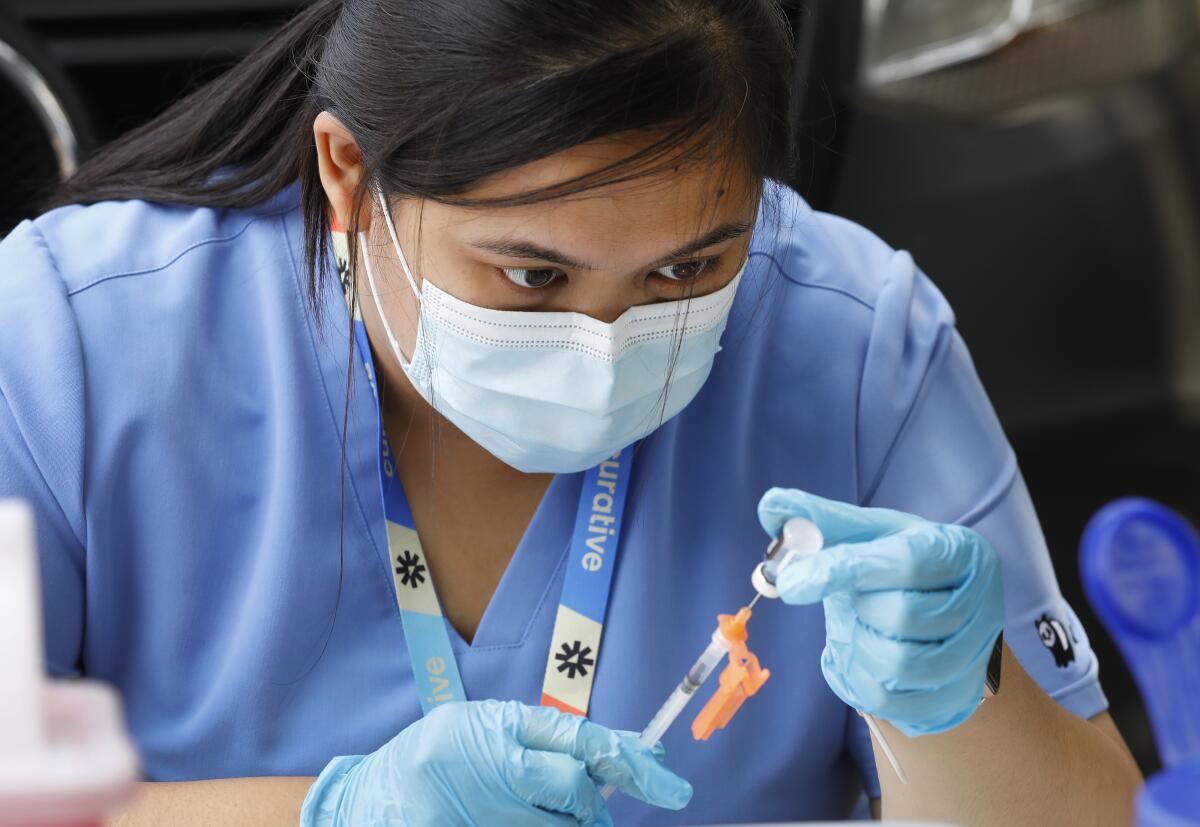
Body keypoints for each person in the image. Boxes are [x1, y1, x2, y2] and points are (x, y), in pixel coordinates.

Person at [0, 1, 1142, 825]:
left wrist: (962, 700)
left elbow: (1087, 816)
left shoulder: (848, 339)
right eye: (533, 278)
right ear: (348, 175)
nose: (606, 349)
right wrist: (331, 814)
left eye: (689, 268)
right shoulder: (78, 338)